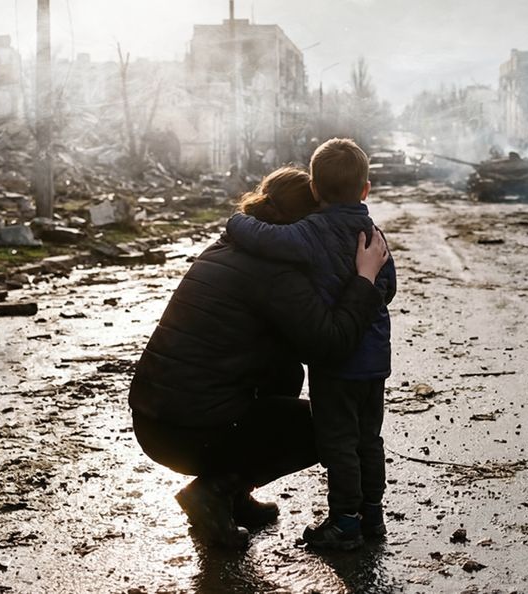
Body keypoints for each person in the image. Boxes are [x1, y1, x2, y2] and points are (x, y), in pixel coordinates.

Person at [129, 166, 391, 549]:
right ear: (305, 223)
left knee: (285, 374)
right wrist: (365, 281)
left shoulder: (229, 245)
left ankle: (236, 495)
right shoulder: (276, 272)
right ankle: (215, 491)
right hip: (187, 430)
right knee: (328, 427)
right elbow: (331, 343)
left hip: (155, 419)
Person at [226, 139, 395, 551]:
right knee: (369, 439)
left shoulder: (310, 232)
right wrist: (363, 284)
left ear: (315, 191)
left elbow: (261, 235)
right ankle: (373, 516)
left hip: (336, 366)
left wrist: (235, 221)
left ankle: (345, 523)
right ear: (366, 189)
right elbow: (386, 288)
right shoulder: (373, 235)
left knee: (338, 444)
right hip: (374, 363)